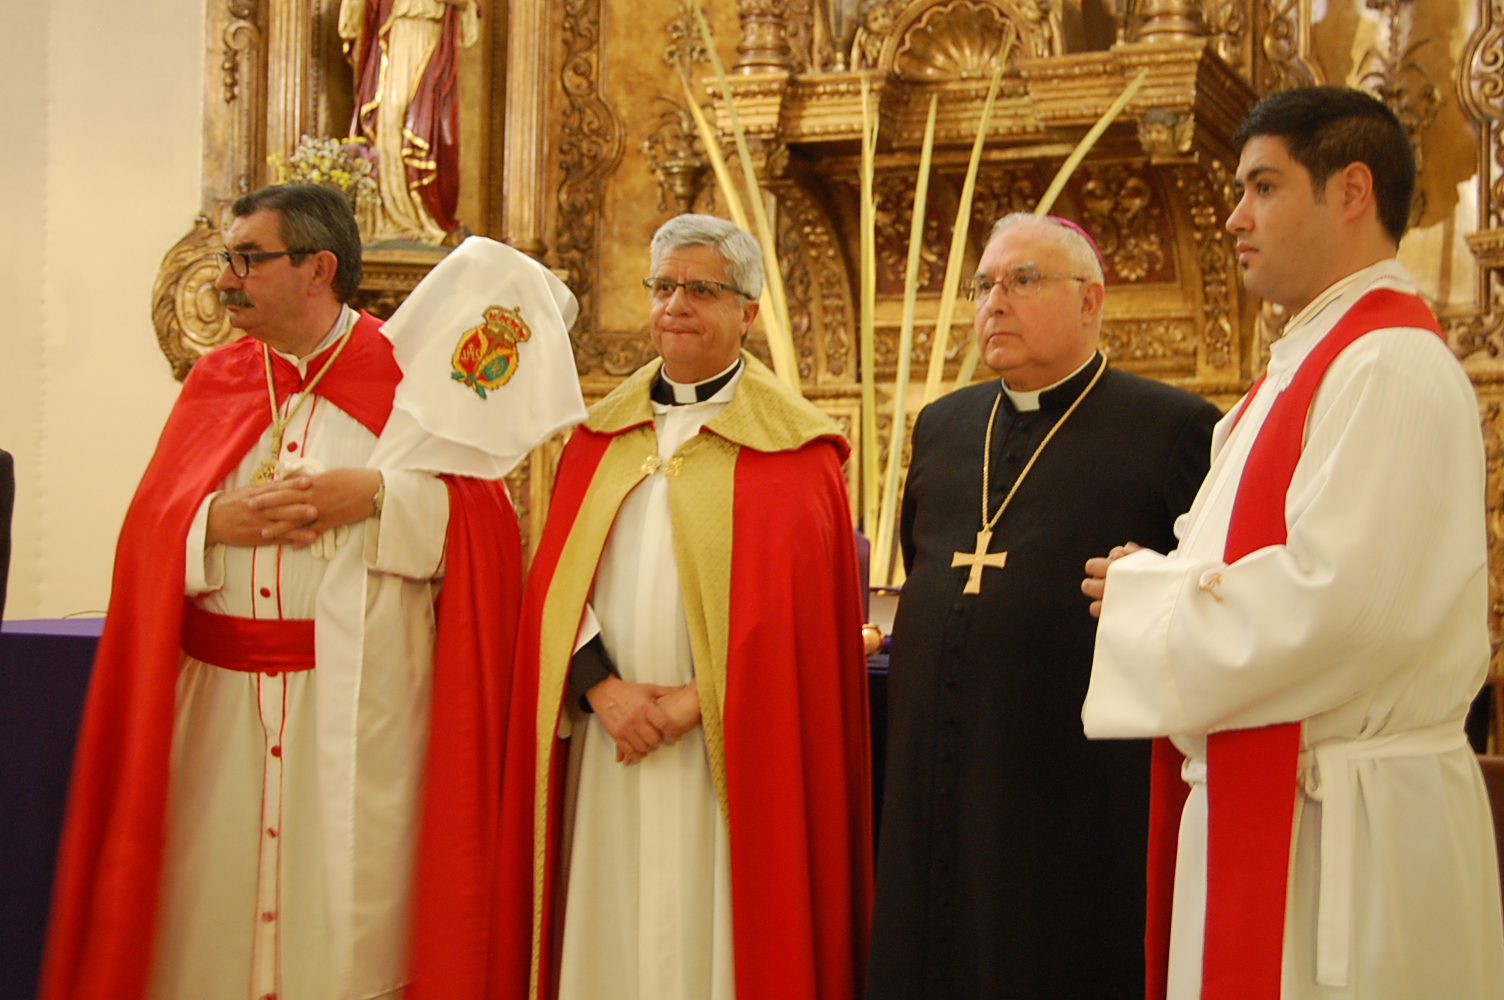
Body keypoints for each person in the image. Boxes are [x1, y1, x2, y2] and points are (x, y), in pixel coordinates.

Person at [39, 183, 584, 1000]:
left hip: (363, 710)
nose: (225, 279)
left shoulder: (407, 382)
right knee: (209, 923)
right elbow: (150, 531)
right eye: (229, 258)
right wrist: (209, 523)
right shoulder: (215, 382)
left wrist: (373, 495)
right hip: (219, 715)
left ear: (318, 268)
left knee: (349, 934)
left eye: (248, 259)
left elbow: (485, 530)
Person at [1082, 86, 1504, 1000]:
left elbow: (1341, 605)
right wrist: (1159, 580)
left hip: (1348, 838)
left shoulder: (1386, 366)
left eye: (1263, 187)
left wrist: (1149, 598)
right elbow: (1240, 566)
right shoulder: (1300, 370)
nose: (1235, 216)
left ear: (1351, 190)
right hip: (1283, 806)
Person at [500, 214, 873, 1000]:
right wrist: (603, 690)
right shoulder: (599, 438)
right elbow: (558, 590)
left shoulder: (796, 453)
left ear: (748, 311)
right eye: (663, 286)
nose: (675, 305)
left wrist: (688, 705)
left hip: (727, 753)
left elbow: (798, 633)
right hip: (613, 742)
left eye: (700, 289)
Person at [867, 213, 1221, 999]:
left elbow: (1201, 596)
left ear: (1091, 300)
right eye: (985, 284)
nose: (995, 301)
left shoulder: (1174, 429)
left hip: (1078, 790)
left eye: (1022, 280)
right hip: (936, 771)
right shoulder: (943, 426)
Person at [340, 0, 480, 242]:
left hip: (429, 38)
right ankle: (385, 213)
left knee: (420, 123)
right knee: (389, 119)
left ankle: (422, 214)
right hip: (392, 37)